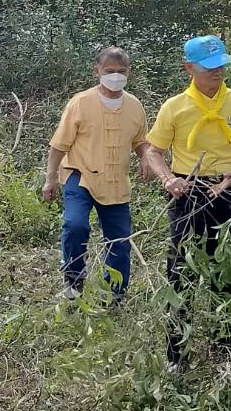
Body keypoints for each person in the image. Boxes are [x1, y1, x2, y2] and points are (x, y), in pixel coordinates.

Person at [142, 35, 231, 370]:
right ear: (189, 68)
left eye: (222, 66)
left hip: (229, 192)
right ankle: (177, 356)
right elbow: (153, 151)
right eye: (210, 67)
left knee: (224, 273)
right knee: (181, 272)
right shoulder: (174, 107)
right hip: (188, 193)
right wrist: (169, 179)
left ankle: (224, 351)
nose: (218, 73)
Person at [42, 46, 151, 301]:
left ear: (128, 73)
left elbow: (140, 142)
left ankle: (115, 294)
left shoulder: (134, 106)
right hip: (80, 176)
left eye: (121, 71)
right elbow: (59, 144)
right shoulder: (81, 102)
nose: (115, 76)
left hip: (115, 182)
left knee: (120, 242)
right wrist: (50, 179)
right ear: (97, 71)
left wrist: (146, 157)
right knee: (75, 224)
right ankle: (73, 281)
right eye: (109, 71)